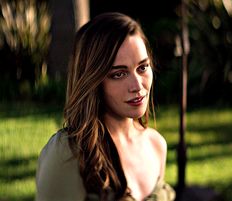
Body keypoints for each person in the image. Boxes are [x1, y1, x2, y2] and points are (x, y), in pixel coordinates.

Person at [35, 12, 175, 201]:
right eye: (119, 74)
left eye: (142, 67)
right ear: (93, 81)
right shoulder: (67, 154)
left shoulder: (156, 145)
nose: (137, 86)